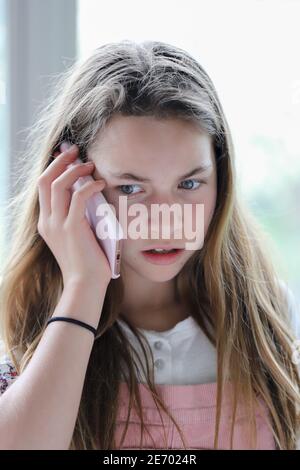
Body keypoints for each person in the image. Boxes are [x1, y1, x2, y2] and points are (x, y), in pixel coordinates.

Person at [0, 40, 299, 450]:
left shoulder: (274, 322)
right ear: (70, 182)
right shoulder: (24, 328)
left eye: (189, 183)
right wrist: (85, 286)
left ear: (221, 179)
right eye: (130, 188)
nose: (165, 220)